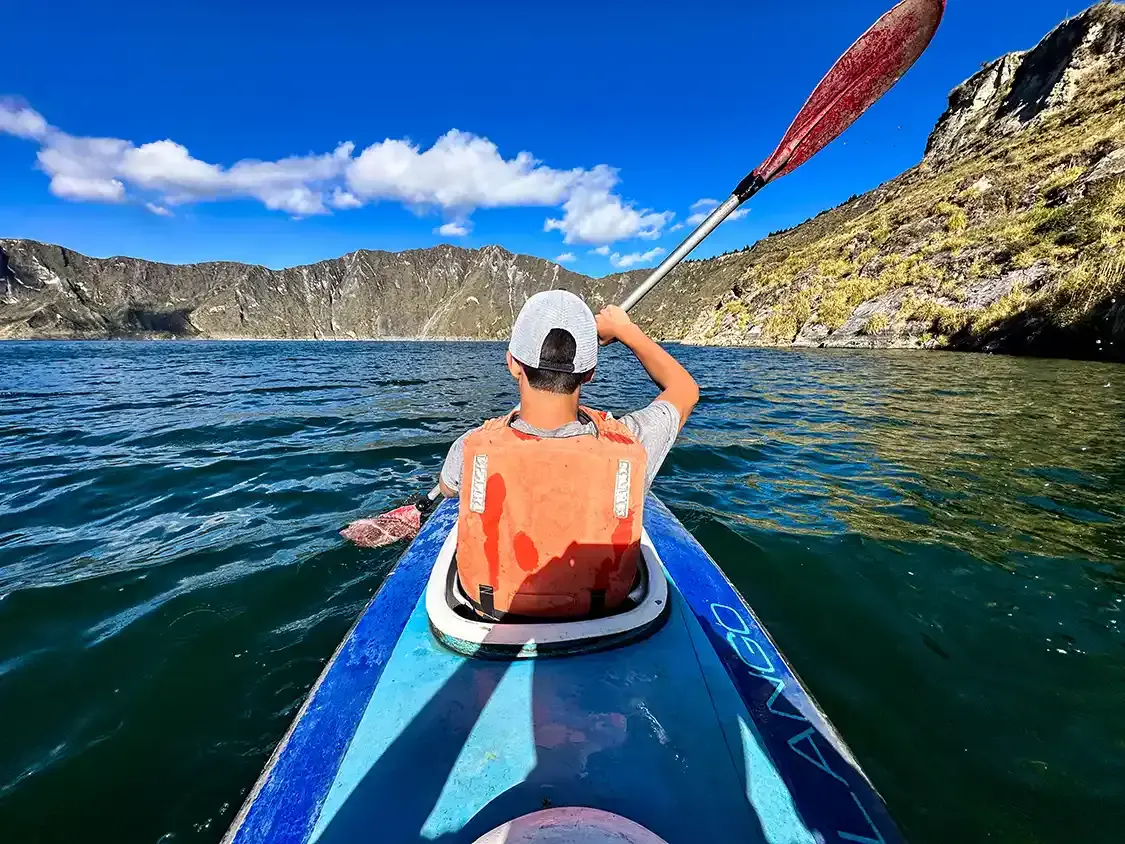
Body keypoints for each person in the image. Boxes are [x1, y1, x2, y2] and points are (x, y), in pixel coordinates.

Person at [439, 290, 699, 620]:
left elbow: (447, 489)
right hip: (600, 612)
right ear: (590, 373)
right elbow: (685, 391)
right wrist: (624, 329)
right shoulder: (633, 442)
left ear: (512, 364)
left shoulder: (470, 446)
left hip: (489, 608)